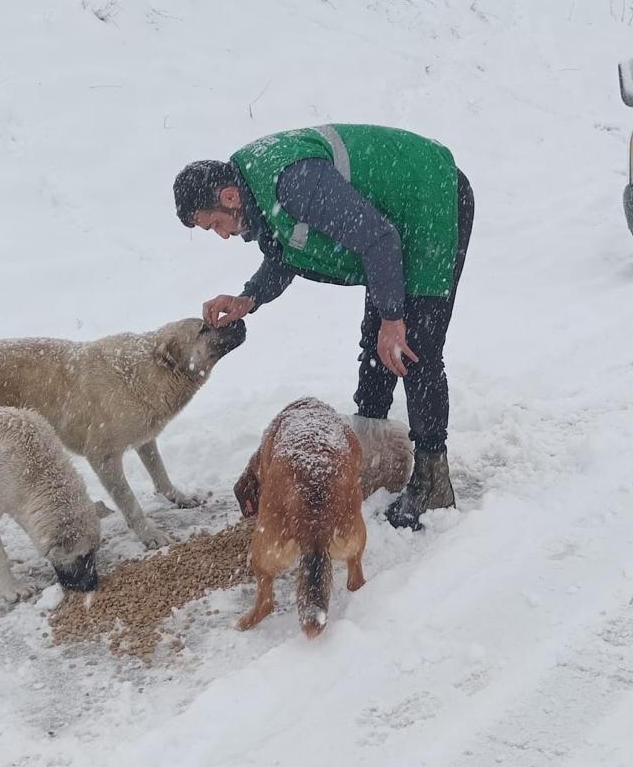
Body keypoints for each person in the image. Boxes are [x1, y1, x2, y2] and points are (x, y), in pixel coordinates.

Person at [173, 124, 474, 530]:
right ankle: (375, 458)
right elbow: (287, 252)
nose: (223, 235)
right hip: (392, 222)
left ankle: (433, 481)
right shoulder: (258, 189)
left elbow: (379, 239)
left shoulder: (293, 181)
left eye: (215, 225)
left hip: (431, 199)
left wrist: (392, 318)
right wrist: (248, 298)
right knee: (377, 346)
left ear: (229, 197)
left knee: (413, 346)